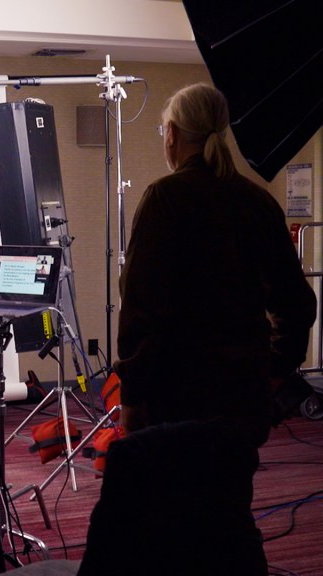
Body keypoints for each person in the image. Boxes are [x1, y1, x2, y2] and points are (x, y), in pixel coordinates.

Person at [78, 83, 316, 576]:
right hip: (240, 401)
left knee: (168, 525)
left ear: (171, 136)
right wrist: (271, 372)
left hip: (175, 400)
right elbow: (298, 304)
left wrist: (132, 400)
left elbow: (141, 312)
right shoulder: (256, 201)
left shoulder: (165, 198)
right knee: (228, 515)